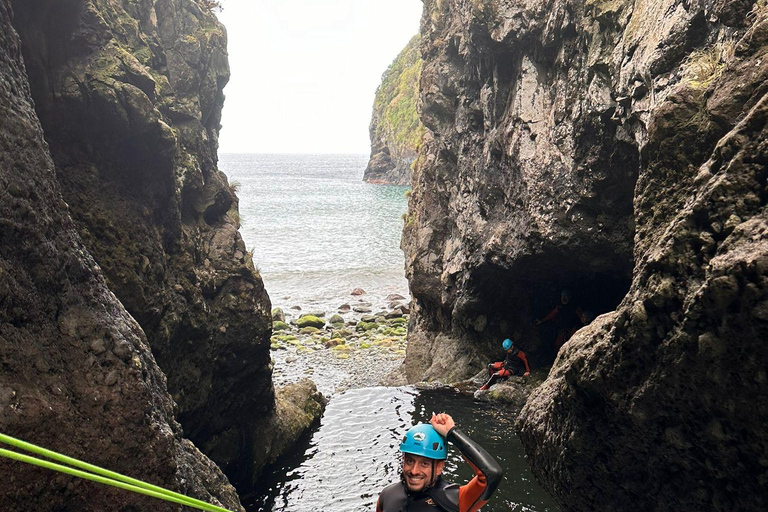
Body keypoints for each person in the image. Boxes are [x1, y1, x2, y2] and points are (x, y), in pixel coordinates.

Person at [376, 413, 503, 512]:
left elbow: (491, 474)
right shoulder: (387, 495)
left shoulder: (453, 499)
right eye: (410, 461)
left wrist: (452, 433)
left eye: (424, 463)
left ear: (439, 467)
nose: (414, 471)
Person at [535, 289, 584, 353]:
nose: (564, 298)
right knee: (557, 345)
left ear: (569, 297)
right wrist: (542, 320)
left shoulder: (574, 306)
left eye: (565, 296)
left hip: (573, 328)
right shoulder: (560, 306)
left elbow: (581, 316)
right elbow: (552, 314)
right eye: (562, 296)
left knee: (572, 344)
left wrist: (585, 324)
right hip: (563, 328)